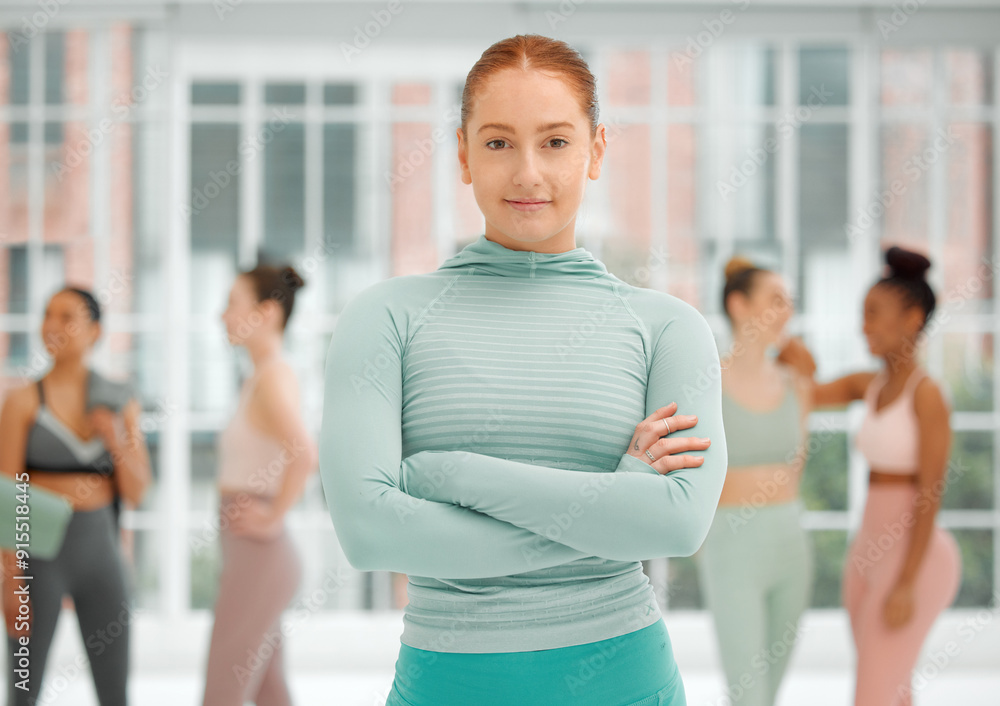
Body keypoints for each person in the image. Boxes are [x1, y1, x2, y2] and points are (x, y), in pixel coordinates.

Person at [319, 34, 728, 706]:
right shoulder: (384, 318)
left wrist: (457, 477)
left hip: (622, 682)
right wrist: (613, 506)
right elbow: (368, 534)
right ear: (462, 153)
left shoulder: (668, 329)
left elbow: (679, 525)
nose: (528, 173)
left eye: (557, 142)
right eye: (499, 142)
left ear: (597, 150)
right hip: (449, 686)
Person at [784, 245, 961, 706]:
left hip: (916, 561)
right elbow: (810, 392)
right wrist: (787, 347)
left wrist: (906, 580)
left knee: (872, 695)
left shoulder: (928, 396)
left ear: (912, 317)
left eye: (873, 314)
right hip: (866, 553)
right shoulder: (871, 385)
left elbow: (930, 494)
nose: (863, 326)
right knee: (892, 690)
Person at [0, 286, 152, 706]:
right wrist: (9, 581)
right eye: (47, 314)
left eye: (67, 317)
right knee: (23, 692)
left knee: (114, 692)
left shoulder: (119, 399)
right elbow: (8, 494)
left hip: (100, 556)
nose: (51, 326)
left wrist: (114, 437)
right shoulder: (23, 400)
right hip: (38, 561)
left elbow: (138, 490)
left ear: (95, 331)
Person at [695, 257, 814, 706]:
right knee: (748, 693)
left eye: (790, 302)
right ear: (739, 305)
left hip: (790, 545)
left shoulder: (796, 383)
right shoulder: (706, 383)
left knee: (770, 693)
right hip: (731, 547)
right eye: (776, 300)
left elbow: (795, 469)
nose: (787, 311)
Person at [201, 264, 318, 706]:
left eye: (232, 304)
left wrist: (272, 518)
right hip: (255, 558)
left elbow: (304, 453)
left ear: (266, 313)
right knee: (271, 694)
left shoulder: (271, 378)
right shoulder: (262, 376)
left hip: (259, 556)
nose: (222, 315)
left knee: (222, 693)